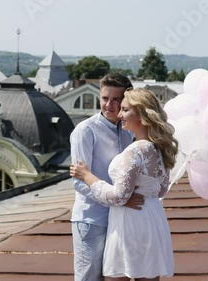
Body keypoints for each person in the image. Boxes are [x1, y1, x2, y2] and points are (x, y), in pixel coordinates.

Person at [70, 88, 179, 280]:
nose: (120, 114)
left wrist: (87, 176)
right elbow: (161, 189)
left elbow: (118, 196)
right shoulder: (159, 148)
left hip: (130, 223)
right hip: (153, 219)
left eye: (125, 110)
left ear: (142, 114)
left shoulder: (135, 151)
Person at [70, 73, 144, 281]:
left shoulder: (128, 131)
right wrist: (119, 199)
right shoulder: (85, 131)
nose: (109, 105)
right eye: (104, 98)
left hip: (118, 219)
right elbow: (79, 182)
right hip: (91, 220)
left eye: (116, 99)